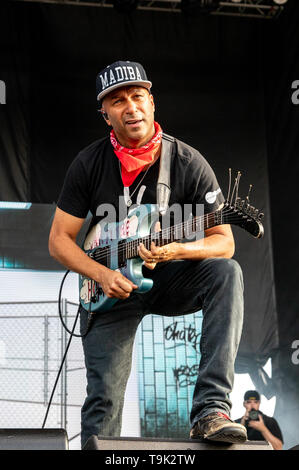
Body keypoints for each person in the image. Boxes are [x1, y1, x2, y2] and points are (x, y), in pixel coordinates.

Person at [49, 60, 247, 448]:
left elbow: (224, 240)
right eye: (118, 101)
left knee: (227, 272)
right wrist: (102, 274)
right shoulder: (89, 163)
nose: (131, 106)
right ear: (105, 114)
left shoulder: (188, 162)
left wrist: (178, 250)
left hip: (165, 277)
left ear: (152, 103)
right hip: (107, 289)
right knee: (103, 401)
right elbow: (59, 240)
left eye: (138, 96)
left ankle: (211, 410)